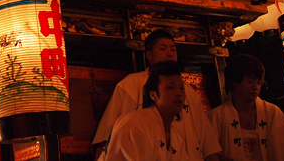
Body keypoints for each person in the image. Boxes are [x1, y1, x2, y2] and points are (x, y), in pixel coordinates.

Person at [93, 29, 221, 161]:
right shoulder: (131, 85)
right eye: (163, 48)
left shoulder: (190, 94)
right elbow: (106, 135)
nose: (169, 53)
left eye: (173, 49)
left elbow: (207, 140)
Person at [208, 54, 284, 161]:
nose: (255, 87)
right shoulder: (217, 116)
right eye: (250, 81)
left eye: (259, 83)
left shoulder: (272, 112)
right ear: (234, 81)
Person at [106, 61, 189, 160]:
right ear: (153, 95)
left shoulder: (175, 137)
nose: (178, 93)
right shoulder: (136, 123)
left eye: (181, 88)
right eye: (170, 87)